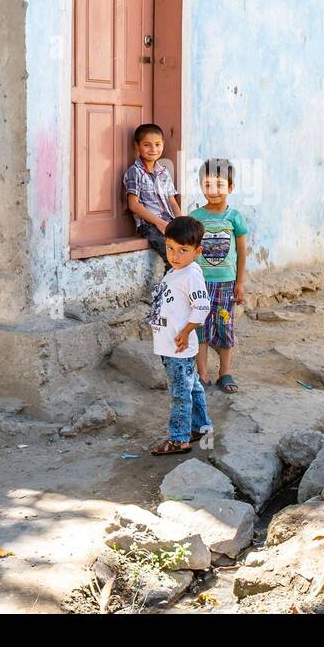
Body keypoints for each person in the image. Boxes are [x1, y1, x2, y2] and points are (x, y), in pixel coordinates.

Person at [147, 216, 212, 455]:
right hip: (172, 346)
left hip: (177, 347)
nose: (175, 255)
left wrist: (185, 332)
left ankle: (178, 438)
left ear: (197, 251)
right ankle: (200, 427)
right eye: (170, 248)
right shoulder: (178, 271)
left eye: (183, 250)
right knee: (192, 387)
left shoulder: (190, 275)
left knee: (180, 393)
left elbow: (202, 307)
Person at [189, 159, 248, 393]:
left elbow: (241, 251)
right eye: (207, 185)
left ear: (230, 188)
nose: (213, 191)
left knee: (225, 325)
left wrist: (240, 282)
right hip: (200, 284)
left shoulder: (235, 217)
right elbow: (190, 251)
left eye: (220, 185)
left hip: (225, 284)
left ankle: (225, 372)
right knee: (200, 327)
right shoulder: (195, 217)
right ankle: (202, 374)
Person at [122, 123, 181, 267]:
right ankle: (168, 289)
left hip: (169, 222)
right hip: (149, 225)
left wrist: (181, 222)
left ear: (163, 144)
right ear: (137, 146)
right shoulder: (135, 172)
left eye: (157, 144)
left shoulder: (164, 172)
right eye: (147, 145)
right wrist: (159, 223)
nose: (153, 149)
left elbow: (172, 201)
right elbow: (133, 205)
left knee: (187, 251)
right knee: (173, 258)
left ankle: (182, 286)